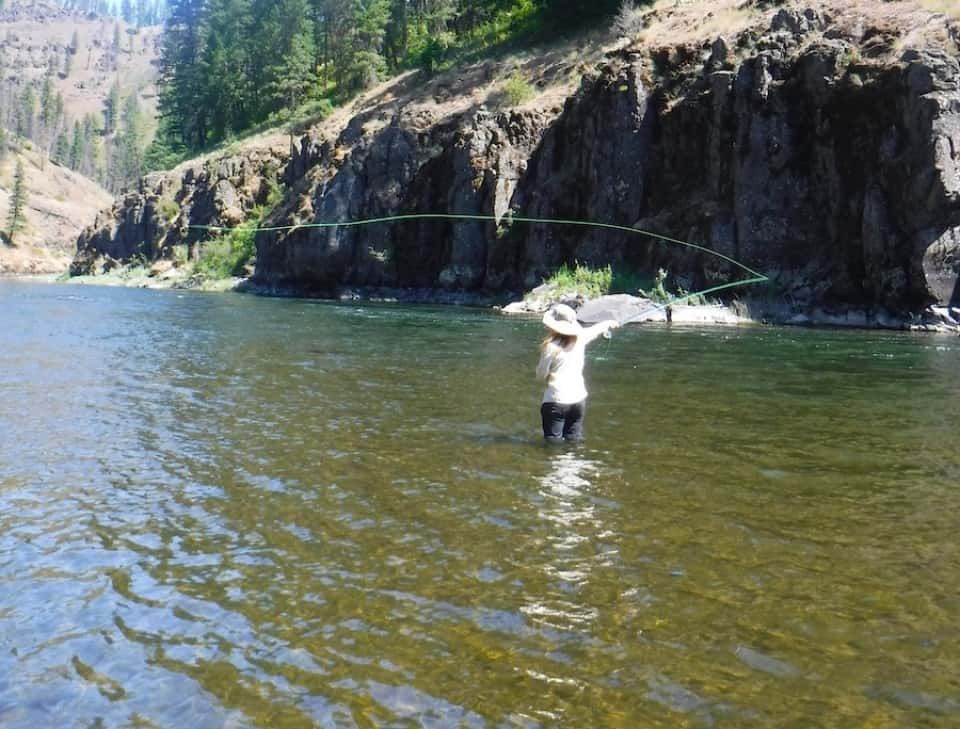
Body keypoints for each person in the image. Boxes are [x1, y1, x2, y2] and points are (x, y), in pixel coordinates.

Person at [536, 303, 619, 443]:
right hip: (578, 400)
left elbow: (541, 375)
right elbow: (595, 330)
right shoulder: (581, 338)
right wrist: (609, 323)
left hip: (556, 401)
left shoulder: (550, 347)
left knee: (553, 445)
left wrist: (543, 376)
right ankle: (574, 464)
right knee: (573, 441)